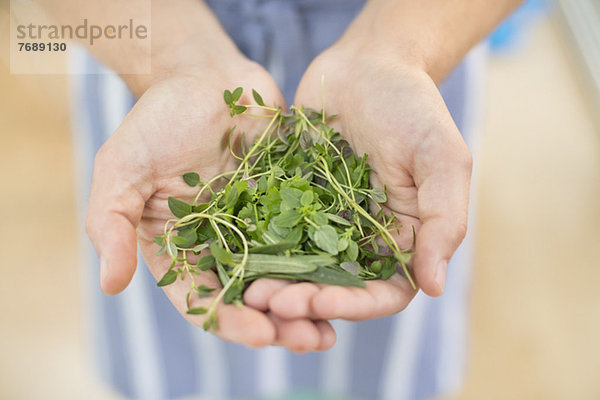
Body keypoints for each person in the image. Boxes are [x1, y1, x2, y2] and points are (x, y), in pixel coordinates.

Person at [53, 0, 523, 398]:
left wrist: (400, 51)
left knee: (370, 365)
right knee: (181, 367)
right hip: (146, 52)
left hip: (405, 68)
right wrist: (170, 59)